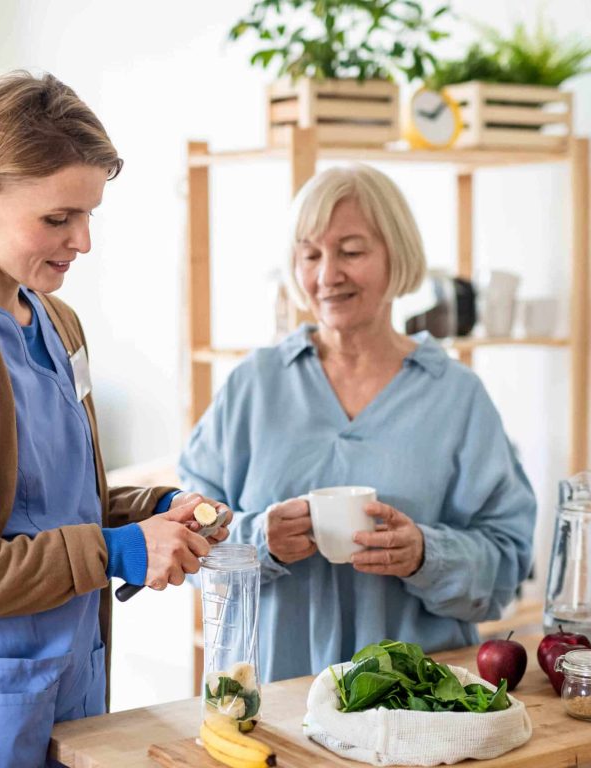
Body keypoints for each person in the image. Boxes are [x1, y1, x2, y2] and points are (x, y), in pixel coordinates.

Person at [0, 70, 231, 768]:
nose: (82, 241)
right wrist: (114, 552)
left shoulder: (59, 323)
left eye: (89, 215)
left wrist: (160, 509)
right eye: (58, 219)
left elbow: (49, 506)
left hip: (71, 687)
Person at [178, 164, 536, 683]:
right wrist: (260, 540)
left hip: (417, 701)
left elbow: (508, 559)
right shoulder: (253, 385)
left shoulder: (456, 396)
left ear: (397, 255)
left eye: (351, 251)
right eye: (310, 254)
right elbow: (188, 527)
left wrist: (425, 555)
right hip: (272, 694)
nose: (327, 275)